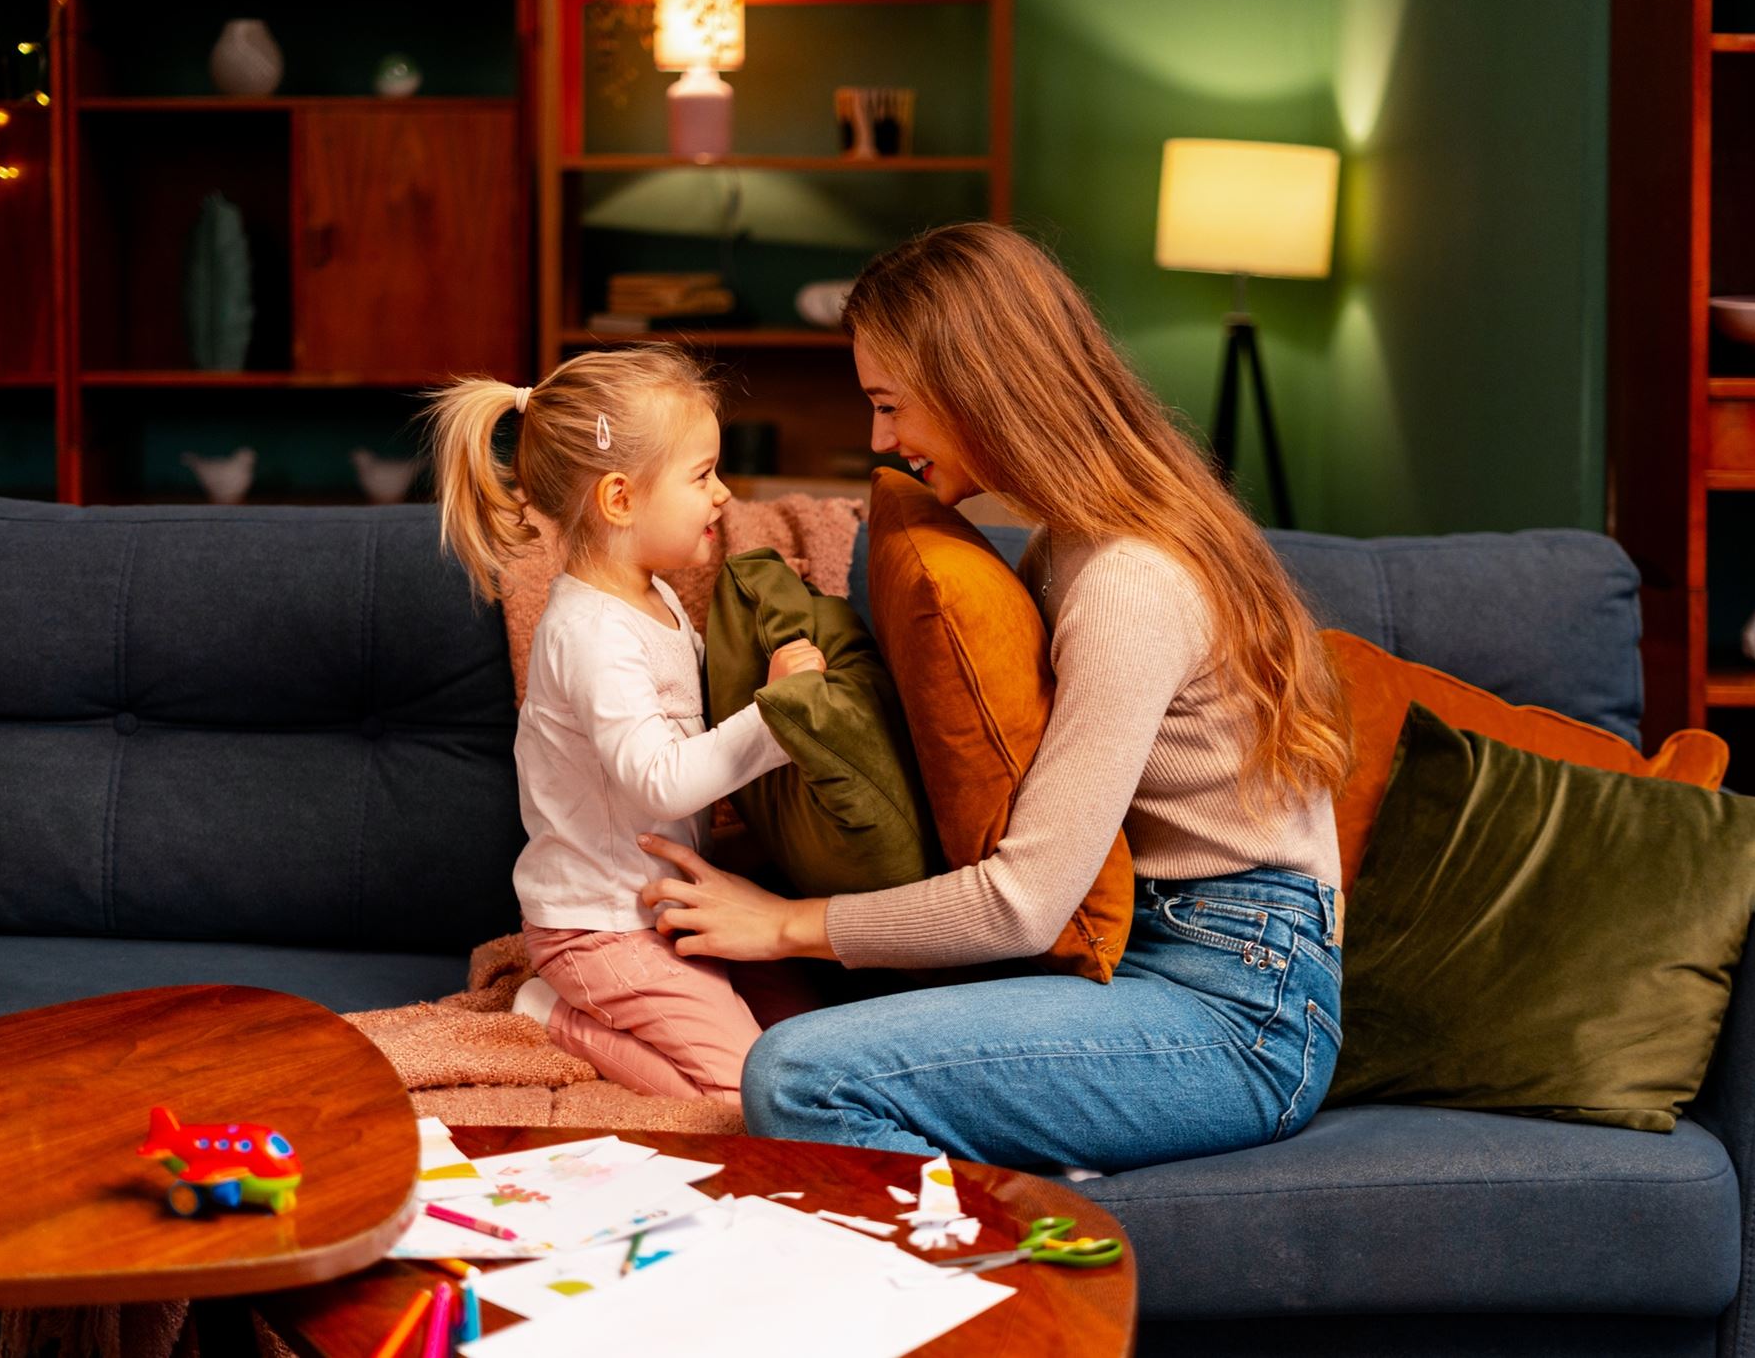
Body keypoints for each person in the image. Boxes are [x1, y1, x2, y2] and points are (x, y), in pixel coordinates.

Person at [632, 223, 1353, 1169]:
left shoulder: (1130, 579)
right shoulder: (1068, 544)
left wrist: (782, 923)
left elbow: (1027, 902)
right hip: (1143, 947)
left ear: (981, 387)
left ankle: (1007, 1286)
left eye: (891, 405)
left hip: (1237, 1002)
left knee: (799, 1075)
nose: (880, 440)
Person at [424, 346, 825, 1103]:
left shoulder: (658, 599)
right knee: (748, 1097)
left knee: (805, 1047)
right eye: (702, 475)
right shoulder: (590, 635)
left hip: (664, 908)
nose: (724, 495)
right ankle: (553, 1011)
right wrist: (776, 719)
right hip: (598, 927)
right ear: (618, 500)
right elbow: (661, 778)